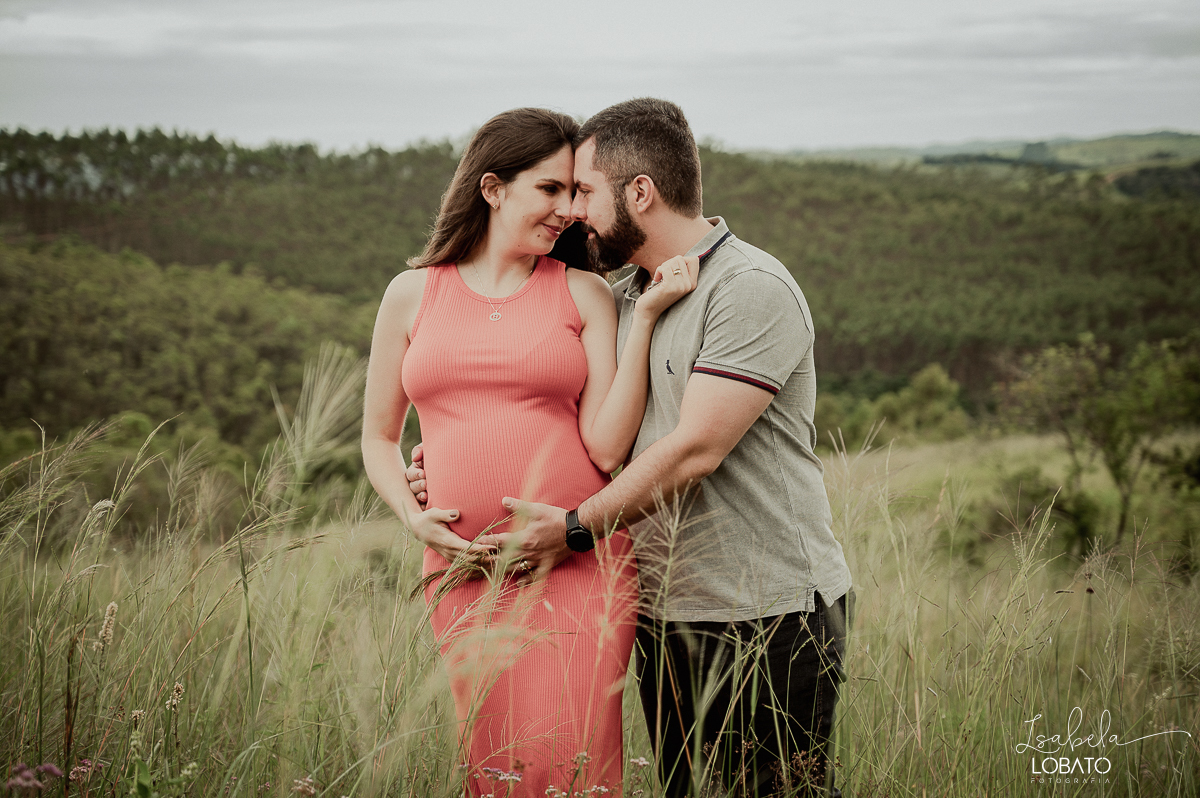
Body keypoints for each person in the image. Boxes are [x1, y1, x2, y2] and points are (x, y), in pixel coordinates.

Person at [409, 98, 852, 796]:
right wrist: (442, 459)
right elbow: (563, 415)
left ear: (639, 193)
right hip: (663, 609)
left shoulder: (747, 288)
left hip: (767, 612)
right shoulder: (620, 300)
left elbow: (694, 450)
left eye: (583, 191)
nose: (572, 212)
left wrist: (577, 528)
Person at [360, 107, 698, 796]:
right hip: (462, 570)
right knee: (494, 764)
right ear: (492, 188)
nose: (570, 211)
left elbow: (606, 448)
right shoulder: (410, 295)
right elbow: (378, 436)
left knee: (577, 762)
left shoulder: (584, 293)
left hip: (577, 565)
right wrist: (410, 513)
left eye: (576, 193)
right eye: (551, 190)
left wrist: (647, 323)